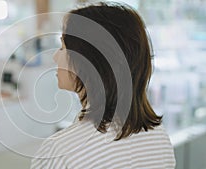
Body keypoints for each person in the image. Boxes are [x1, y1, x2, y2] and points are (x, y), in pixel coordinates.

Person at [31, 2, 176, 169]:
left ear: (89, 61)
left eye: (63, 47)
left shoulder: (60, 152)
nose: (56, 57)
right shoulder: (160, 138)